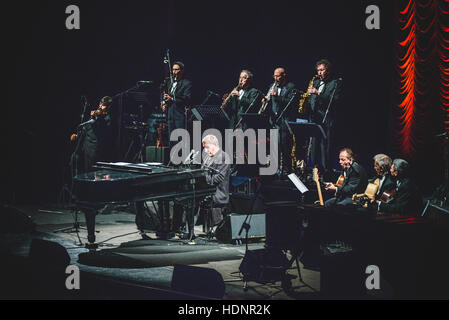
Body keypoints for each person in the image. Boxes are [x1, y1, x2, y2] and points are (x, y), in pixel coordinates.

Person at [262, 67, 298, 174]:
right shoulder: (271, 86)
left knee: (285, 146)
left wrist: (277, 97)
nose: (276, 78)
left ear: (284, 76)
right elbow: (270, 101)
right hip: (274, 120)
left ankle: (287, 171)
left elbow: (290, 103)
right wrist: (265, 100)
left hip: (285, 121)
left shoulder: (290, 87)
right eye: (274, 76)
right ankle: (276, 169)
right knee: (274, 147)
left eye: (278, 76)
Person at [308, 59, 342, 169]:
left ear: (327, 70)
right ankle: (312, 169)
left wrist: (318, 93)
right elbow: (312, 99)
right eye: (318, 70)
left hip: (327, 118)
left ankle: (325, 170)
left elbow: (334, 100)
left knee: (325, 146)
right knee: (313, 146)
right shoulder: (316, 82)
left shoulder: (335, 83)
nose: (319, 73)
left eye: (322, 70)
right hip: (315, 117)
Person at [70, 96, 114, 174]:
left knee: (89, 171)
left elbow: (99, 131)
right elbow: (87, 128)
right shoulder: (96, 114)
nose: (100, 106)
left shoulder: (107, 119)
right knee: (75, 163)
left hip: (92, 149)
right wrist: (77, 136)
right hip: (83, 145)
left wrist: (95, 118)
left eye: (103, 105)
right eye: (100, 103)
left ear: (108, 107)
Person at [201, 135, 232, 236]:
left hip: (218, 193)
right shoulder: (207, 157)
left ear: (214, 145)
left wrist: (204, 178)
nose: (205, 151)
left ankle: (217, 230)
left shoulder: (224, 157)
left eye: (207, 147)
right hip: (208, 191)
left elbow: (219, 177)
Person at [161, 61, 192, 145]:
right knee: (171, 138)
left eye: (176, 70)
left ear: (181, 71)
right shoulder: (169, 82)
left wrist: (172, 98)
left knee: (180, 138)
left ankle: (182, 157)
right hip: (170, 114)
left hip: (180, 115)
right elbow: (164, 92)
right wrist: (163, 102)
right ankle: (172, 157)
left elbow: (186, 98)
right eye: (173, 69)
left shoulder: (187, 83)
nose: (174, 72)